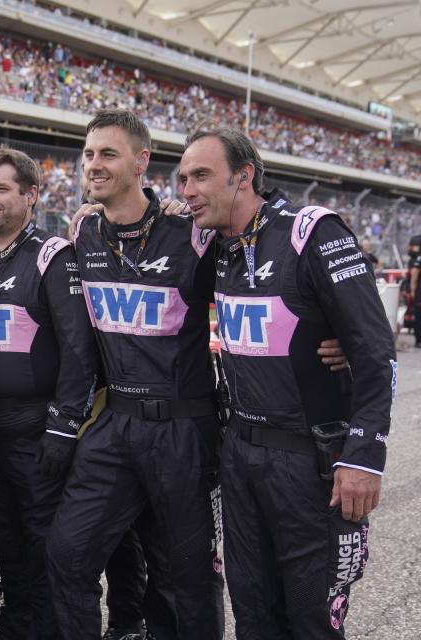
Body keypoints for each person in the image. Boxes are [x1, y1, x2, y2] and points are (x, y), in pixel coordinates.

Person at [178, 126, 395, 639]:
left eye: (201, 176)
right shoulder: (212, 242)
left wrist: (364, 456)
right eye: (183, 178)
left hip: (309, 462)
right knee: (253, 613)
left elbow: (375, 349)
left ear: (244, 176)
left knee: (312, 617)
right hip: (241, 454)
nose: (187, 190)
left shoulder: (312, 231)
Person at [47, 109, 224, 640]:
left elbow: (261, 278)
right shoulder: (82, 234)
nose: (93, 165)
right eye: (88, 154)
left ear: (141, 162)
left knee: (186, 576)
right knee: (67, 554)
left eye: (108, 154)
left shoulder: (190, 233)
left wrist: (327, 340)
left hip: (184, 427)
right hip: (114, 424)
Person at [0, 148, 97, 638]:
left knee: (46, 543)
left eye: (1, 188)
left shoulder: (51, 255)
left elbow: (78, 349)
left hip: (37, 428)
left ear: (31, 195)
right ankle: (18, 623)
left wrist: (63, 426)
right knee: (5, 540)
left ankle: (48, 628)